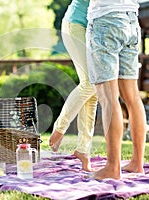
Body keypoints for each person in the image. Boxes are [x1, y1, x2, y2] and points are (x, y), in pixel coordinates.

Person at [86, 0, 147, 179]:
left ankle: (112, 167)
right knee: (133, 96)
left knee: (109, 98)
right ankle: (137, 163)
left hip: (105, 19)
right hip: (131, 21)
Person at [49, 0, 98, 172]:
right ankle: (59, 128)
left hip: (90, 28)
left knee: (94, 90)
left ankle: (83, 150)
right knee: (90, 82)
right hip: (76, 23)